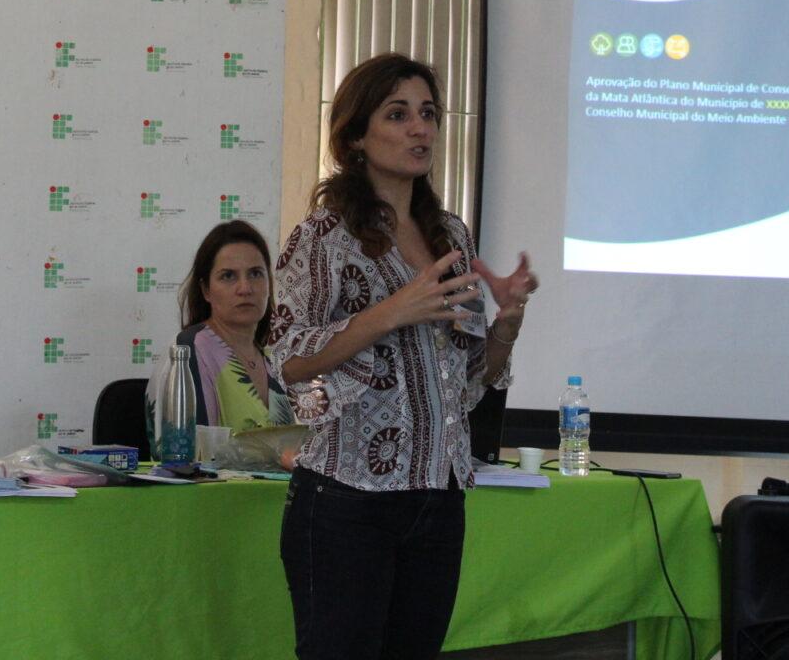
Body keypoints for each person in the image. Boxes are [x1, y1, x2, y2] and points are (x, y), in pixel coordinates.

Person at [270, 53, 536, 660]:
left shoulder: (451, 236)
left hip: (438, 500)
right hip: (347, 501)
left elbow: (472, 382)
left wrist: (506, 327)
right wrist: (390, 312)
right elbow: (287, 359)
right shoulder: (324, 236)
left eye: (428, 114)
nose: (420, 129)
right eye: (398, 115)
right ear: (356, 138)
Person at [175, 220, 292, 433]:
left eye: (255, 273)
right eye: (228, 276)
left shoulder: (273, 358)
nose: (245, 288)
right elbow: (195, 449)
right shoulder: (192, 349)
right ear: (206, 290)